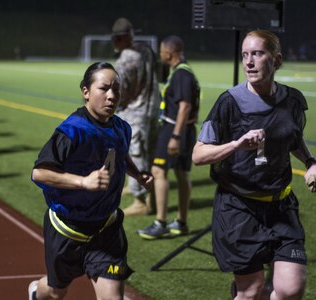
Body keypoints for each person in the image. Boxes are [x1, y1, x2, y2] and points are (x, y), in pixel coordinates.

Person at [192, 29, 316, 300]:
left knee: (291, 289)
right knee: (251, 291)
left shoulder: (293, 100)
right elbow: (198, 155)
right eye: (244, 55)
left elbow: (293, 139)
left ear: (276, 59)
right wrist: (236, 144)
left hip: (281, 207)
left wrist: (310, 162)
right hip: (239, 209)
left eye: (257, 54)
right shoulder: (229, 103)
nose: (249, 62)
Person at [28, 62, 153, 300]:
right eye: (104, 88)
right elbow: (40, 173)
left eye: (116, 89)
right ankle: (37, 292)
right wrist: (83, 182)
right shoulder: (72, 130)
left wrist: (136, 173)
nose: (112, 96)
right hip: (67, 230)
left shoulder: (120, 127)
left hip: (106, 229)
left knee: (112, 297)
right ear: (86, 91)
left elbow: (118, 151)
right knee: (55, 292)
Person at [137, 35, 200, 240]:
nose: (161, 54)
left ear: (169, 53)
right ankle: (181, 223)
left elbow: (184, 106)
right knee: (182, 174)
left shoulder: (181, 74)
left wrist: (174, 136)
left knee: (158, 170)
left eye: (162, 51)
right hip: (186, 130)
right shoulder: (185, 72)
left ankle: (160, 223)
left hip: (174, 129)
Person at [111, 17, 160, 216]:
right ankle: (143, 192)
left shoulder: (127, 59)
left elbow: (123, 91)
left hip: (135, 113)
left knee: (137, 154)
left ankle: (141, 201)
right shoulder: (146, 50)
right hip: (152, 110)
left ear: (121, 38)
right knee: (149, 154)